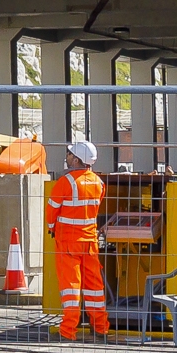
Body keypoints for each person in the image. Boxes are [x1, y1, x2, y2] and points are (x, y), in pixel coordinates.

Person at [46, 134, 110, 341]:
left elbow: (51, 212)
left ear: (76, 159)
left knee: (71, 287)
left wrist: (51, 227)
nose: (67, 156)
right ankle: (100, 328)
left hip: (68, 242)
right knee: (94, 287)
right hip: (90, 243)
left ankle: (68, 331)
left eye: (70, 154)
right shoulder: (99, 183)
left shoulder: (66, 182)